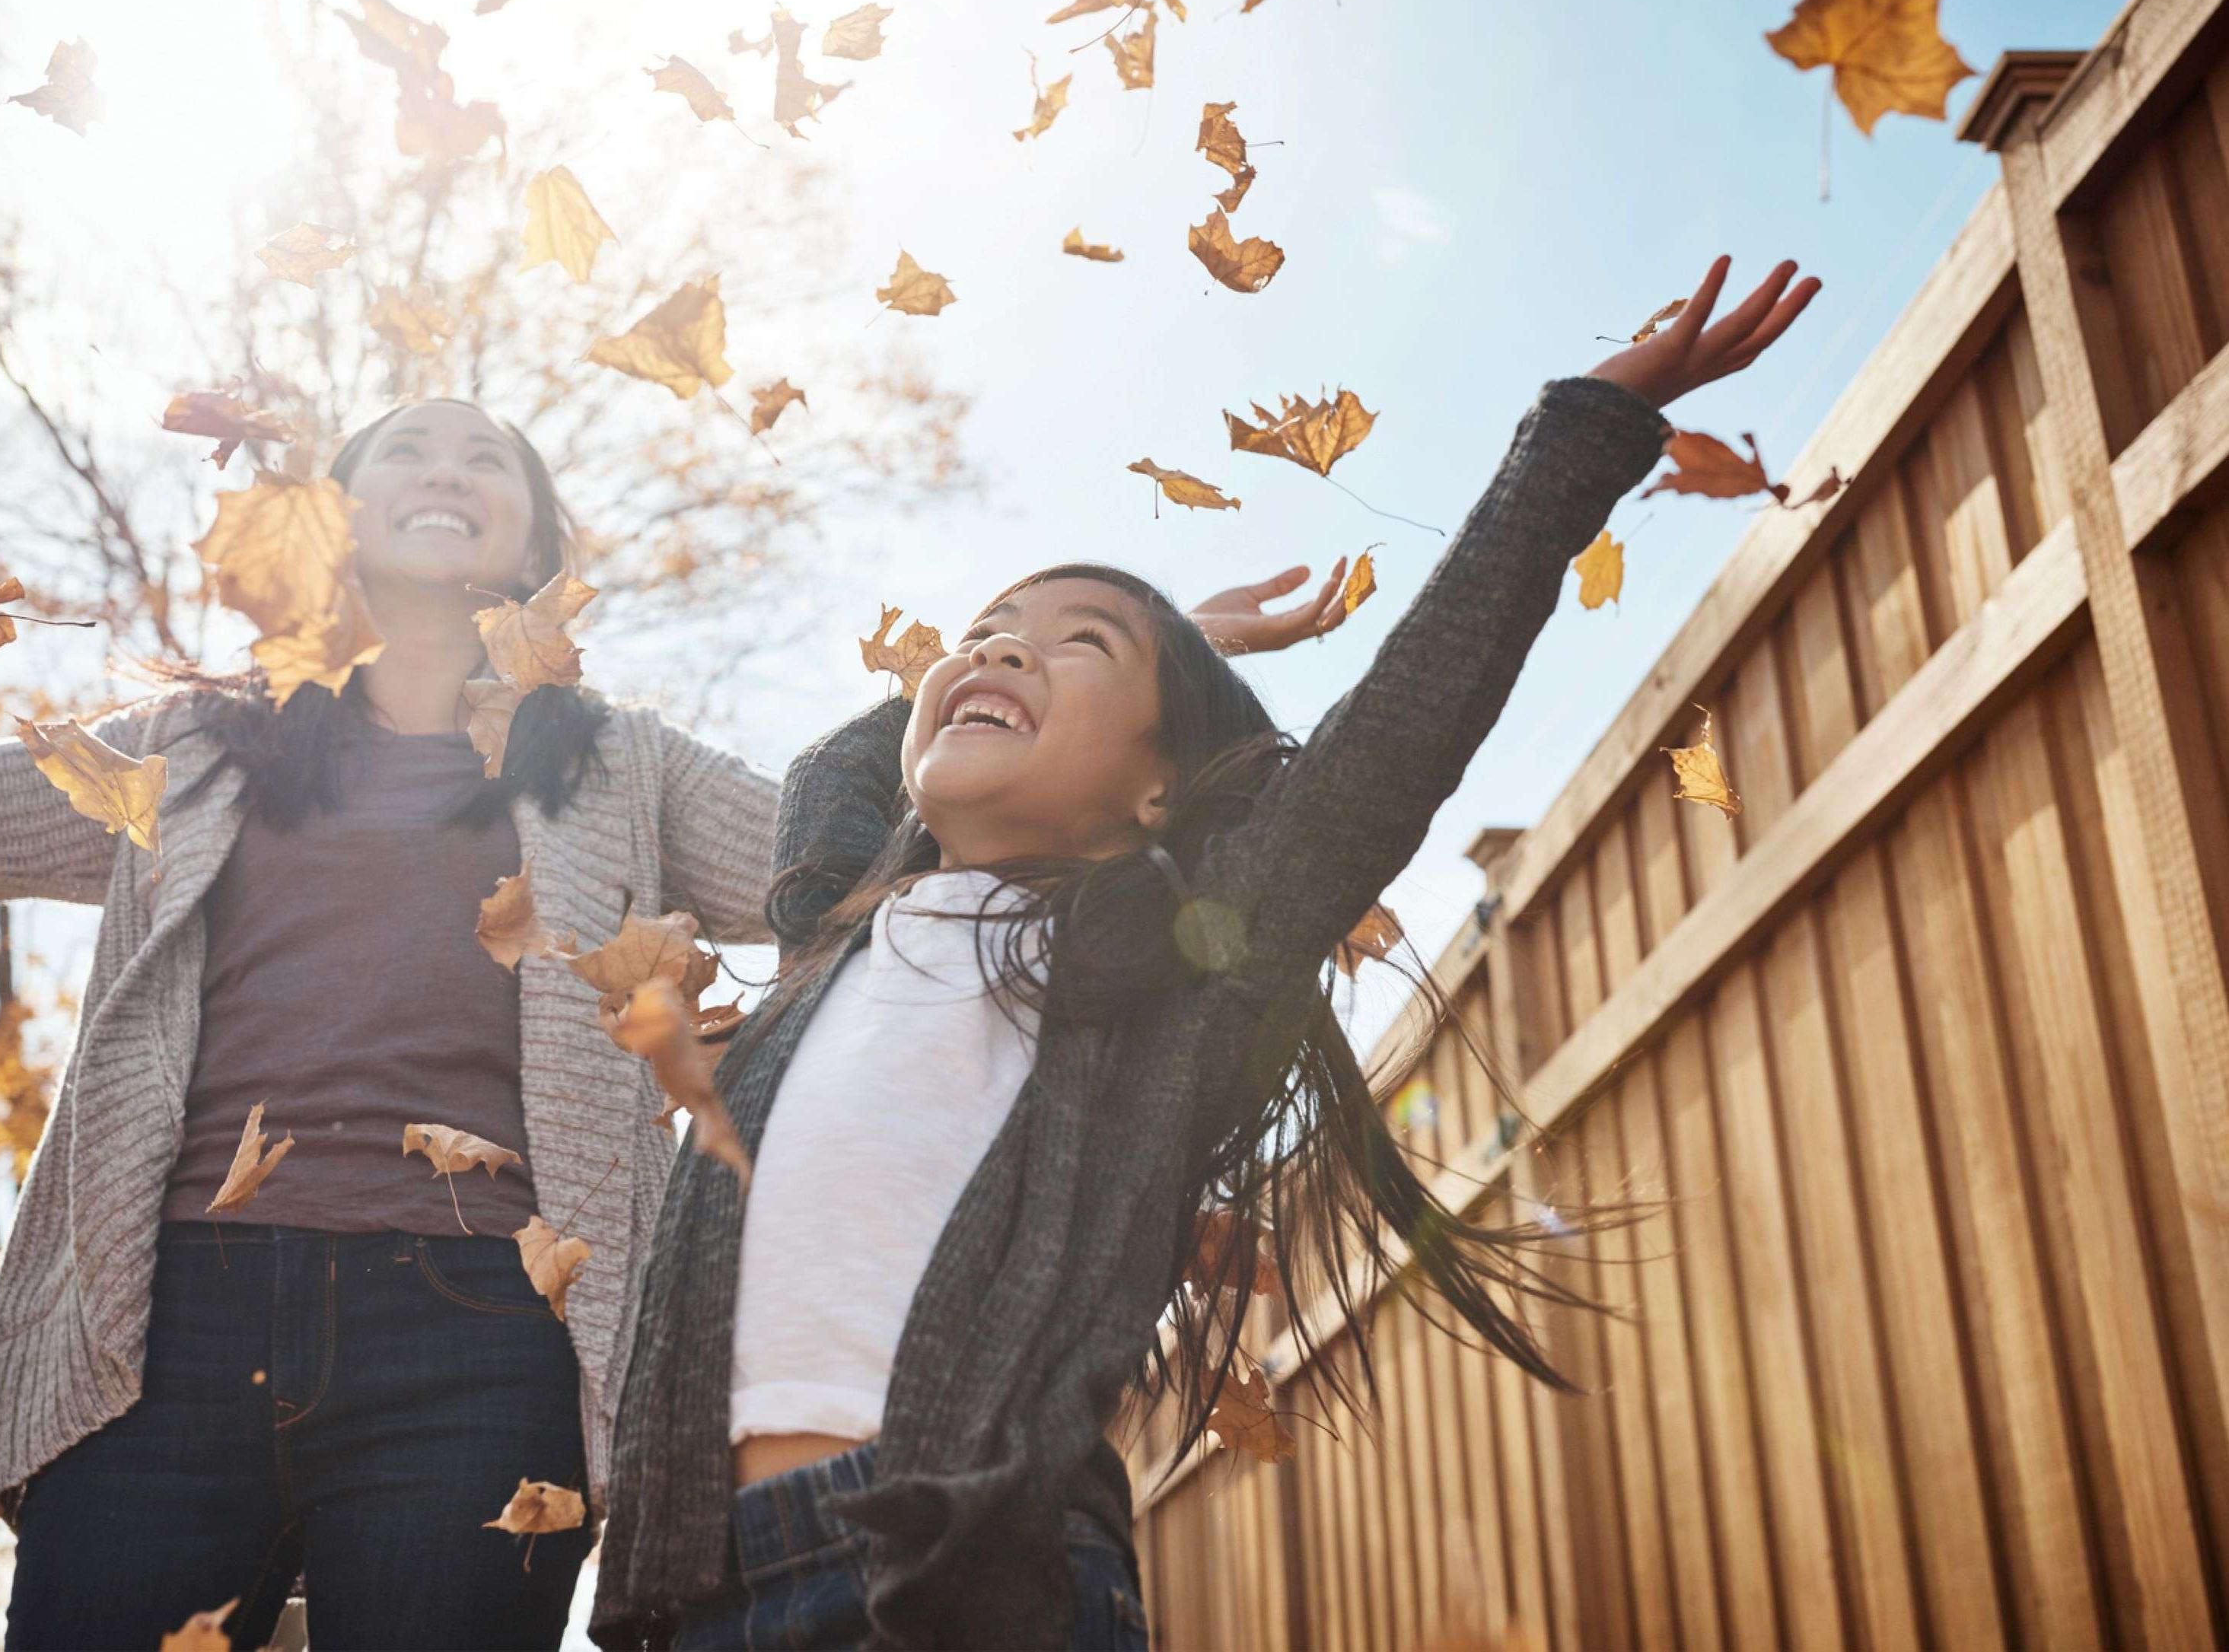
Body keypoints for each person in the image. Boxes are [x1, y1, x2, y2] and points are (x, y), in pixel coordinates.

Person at [0, 396, 1347, 1650]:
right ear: (332, 521)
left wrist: (1137, 673)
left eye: (488, 461)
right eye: (402, 449)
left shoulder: (617, 766)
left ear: (534, 546)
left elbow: (896, 855)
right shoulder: (185, 748)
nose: (442, 472)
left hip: (481, 1338)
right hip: (161, 1331)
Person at [596, 256, 1820, 1650]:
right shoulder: (834, 925)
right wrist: (1149, 648)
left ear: (1159, 792)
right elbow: (838, 760)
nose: (1001, 648)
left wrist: (1583, 433)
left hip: (967, 1563)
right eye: (988, 631)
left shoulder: (1149, 969)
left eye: (1076, 645)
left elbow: (1399, 732)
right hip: (686, 1589)